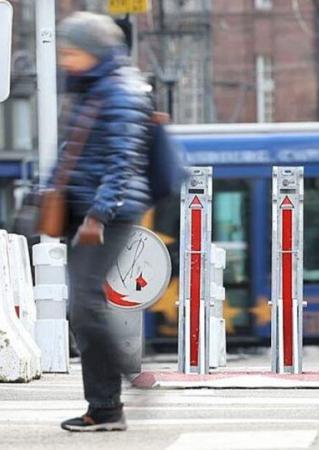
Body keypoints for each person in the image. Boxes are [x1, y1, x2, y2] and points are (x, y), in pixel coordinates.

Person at [54, 12, 154, 432]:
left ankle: (122, 384)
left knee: (86, 306)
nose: (64, 60)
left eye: (71, 52)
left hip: (108, 213)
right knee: (85, 305)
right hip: (85, 209)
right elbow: (71, 151)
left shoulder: (120, 92)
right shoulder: (92, 88)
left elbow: (121, 162)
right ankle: (107, 405)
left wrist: (98, 214)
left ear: (93, 52)